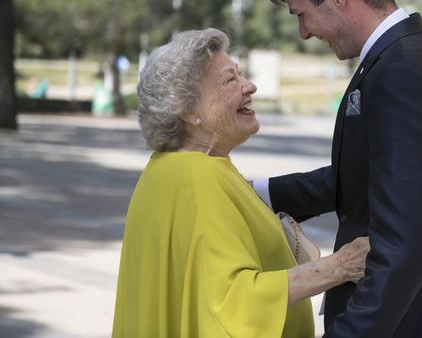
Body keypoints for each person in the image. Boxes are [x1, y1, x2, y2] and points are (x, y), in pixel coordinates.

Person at [254, 0, 422, 336]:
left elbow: (403, 248)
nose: (302, 33)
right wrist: (258, 193)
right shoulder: (415, 58)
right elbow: (372, 179)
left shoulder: (401, 72)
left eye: (301, 13)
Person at [112, 28, 370, 338]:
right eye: (230, 80)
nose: (250, 86)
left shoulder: (165, 170)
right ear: (189, 111)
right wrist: (341, 266)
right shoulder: (199, 179)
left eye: (241, 75)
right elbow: (235, 300)